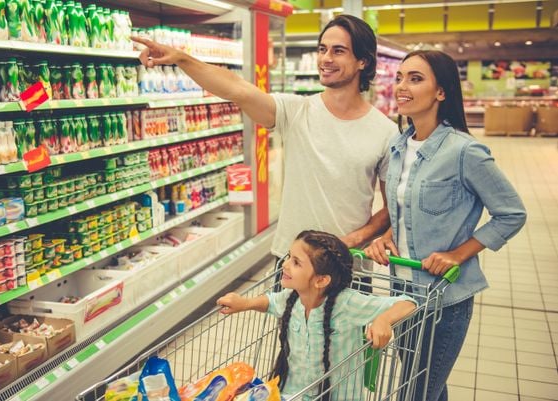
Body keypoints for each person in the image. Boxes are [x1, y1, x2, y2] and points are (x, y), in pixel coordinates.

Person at [131, 15, 397, 266]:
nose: (325, 58)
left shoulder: (385, 131)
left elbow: (390, 209)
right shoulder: (296, 111)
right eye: (322, 49)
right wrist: (181, 59)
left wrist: (351, 241)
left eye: (338, 51)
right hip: (292, 261)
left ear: (363, 61)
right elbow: (237, 88)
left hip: (348, 262)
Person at [364, 50, 527, 401]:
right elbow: (403, 211)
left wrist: (458, 253)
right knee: (427, 387)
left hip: (444, 300)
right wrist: (386, 237)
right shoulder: (396, 145)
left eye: (416, 78)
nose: (403, 86)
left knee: (416, 392)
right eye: (401, 77)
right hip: (401, 291)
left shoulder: (464, 151)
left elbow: (512, 212)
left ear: (442, 92)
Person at [217, 230, 416, 400]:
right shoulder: (291, 298)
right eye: (288, 256)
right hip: (294, 393)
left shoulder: (347, 303)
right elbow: (270, 301)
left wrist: (383, 320)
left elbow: (408, 303)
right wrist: (244, 303)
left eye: (296, 262)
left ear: (321, 280)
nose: (285, 265)